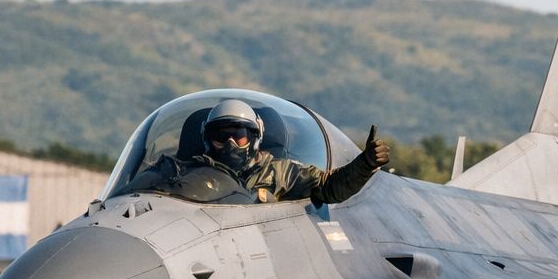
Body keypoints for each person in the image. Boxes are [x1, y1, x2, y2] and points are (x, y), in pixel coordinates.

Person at [129, 100, 390, 205]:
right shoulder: (182, 172)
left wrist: (365, 164)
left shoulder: (281, 173)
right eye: (221, 136)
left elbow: (330, 187)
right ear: (208, 139)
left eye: (239, 135)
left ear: (255, 138)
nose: (230, 143)